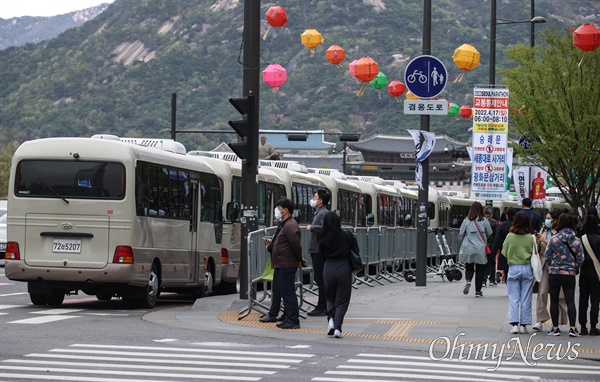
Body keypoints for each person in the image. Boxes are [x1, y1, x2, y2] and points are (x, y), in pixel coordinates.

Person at [544, 213, 584, 337]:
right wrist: (574, 266)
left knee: (554, 301)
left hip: (554, 273)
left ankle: (555, 328)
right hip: (569, 274)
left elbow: (547, 256)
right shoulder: (576, 240)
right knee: (570, 301)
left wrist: (552, 264)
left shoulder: (554, 239)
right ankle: (572, 328)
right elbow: (581, 258)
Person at [318, 211, 356, 338]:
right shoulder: (346, 235)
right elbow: (356, 250)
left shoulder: (322, 237)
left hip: (328, 267)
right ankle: (338, 328)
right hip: (343, 267)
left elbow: (320, 255)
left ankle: (331, 320)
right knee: (342, 300)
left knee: (329, 297)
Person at [270, 198, 303, 329]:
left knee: (288, 292)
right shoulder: (286, 224)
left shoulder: (290, 225)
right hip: (282, 263)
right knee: (285, 292)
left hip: (286, 263)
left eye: (278, 208)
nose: (277, 211)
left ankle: (293, 320)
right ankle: (288, 317)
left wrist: (299, 259)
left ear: (285, 210)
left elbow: (295, 245)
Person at [532, 210, 567, 332]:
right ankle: (540, 320)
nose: (546, 220)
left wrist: (545, 241)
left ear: (555, 220)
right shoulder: (543, 230)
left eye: (548, 218)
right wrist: (537, 240)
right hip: (544, 264)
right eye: (546, 218)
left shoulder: (560, 232)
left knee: (558, 294)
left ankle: (558, 321)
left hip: (557, 265)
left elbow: (558, 248)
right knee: (542, 292)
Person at [502, 212, 536, 334]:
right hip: (527, 268)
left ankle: (514, 324)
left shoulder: (510, 236)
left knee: (513, 297)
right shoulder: (531, 237)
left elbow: (504, 252)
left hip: (514, 267)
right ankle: (524, 325)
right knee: (526, 297)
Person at [459, 201, 492, 297]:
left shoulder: (466, 220)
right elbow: (489, 232)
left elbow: (461, 232)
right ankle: (478, 291)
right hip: (480, 248)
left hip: (468, 247)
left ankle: (468, 280)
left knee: (469, 267)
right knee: (480, 270)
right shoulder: (484, 220)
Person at [306, 189, 331, 316]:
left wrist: (312, 227)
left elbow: (324, 228)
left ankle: (323, 306)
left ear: (320, 201)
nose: (313, 199)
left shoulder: (323, 213)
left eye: (315, 197)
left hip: (319, 250)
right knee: (319, 278)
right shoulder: (318, 213)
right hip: (316, 249)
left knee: (320, 278)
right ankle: (322, 305)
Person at [578, 214, 600, 336]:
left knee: (583, 299)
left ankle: (582, 326)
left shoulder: (581, 238)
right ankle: (593, 326)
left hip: (584, 271)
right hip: (596, 272)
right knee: (595, 300)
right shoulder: (599, 238)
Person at [492, 207, 517, 283]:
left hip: (505, 250)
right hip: (516, 250)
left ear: (507, 215)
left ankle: (508, 285)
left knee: (506, 269)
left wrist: (494, 252)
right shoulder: (518, 225)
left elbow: (497, 239)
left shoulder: (503, 225)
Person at [483, 206, 499, 286]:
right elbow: (496, 234)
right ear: (491, 214)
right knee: (492, 261)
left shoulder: (480, 221)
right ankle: (492, 279)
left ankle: (483, 279)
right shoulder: (494, 222)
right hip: (492, 244)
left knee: (483, 261)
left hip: (482, 244)